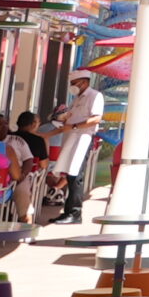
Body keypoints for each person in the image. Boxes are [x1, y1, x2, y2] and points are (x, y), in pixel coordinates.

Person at [46, 69, 105, 222]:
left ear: (84, 82)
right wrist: (48, 133)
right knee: (70, 176)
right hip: (72, 139)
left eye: (74, 83)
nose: (72, 86)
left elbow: (96, 118)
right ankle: (68, 211)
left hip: (83, 138)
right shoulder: (77, 98)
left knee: (75, 176)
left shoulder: (95, 96)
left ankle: (75, 213)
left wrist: (73, 127)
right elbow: (67, 121)